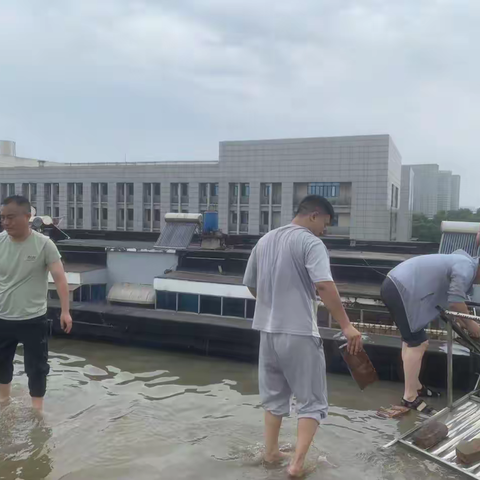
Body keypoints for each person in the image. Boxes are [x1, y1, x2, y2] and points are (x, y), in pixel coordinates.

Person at [243, 195, 363, 477]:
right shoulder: (311, 242)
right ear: (314, 215)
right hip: (298, 332)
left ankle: (271, 453)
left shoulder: (265, 240)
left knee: (274, 398)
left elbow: (250, 284)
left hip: (267, 332)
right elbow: (323, 285)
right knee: (312, 402)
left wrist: (272, 305)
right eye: (325, 223)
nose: (325, 230)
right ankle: (296, 465)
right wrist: (346, 326)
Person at [381, 250, 480, 414]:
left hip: (396, 284)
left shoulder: (464, 261)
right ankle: (410, 397)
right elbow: (455, 303)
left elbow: (453, 302)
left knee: (411, 340)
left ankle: (415, 386)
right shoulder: (466, 267)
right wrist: (473, 326)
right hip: (401, 287)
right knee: (418, 343)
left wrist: (465, 322)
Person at [0, 195, 72, 411]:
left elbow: (60, 278)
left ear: (28, 217)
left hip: (33, 319)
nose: (6, 222)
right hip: (3, 317)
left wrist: (65, 312)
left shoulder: (44, 244)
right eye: (3, 218)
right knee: (1, 364)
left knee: (37, 368)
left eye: (11, 217)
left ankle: (37, 412)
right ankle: (3, 402)